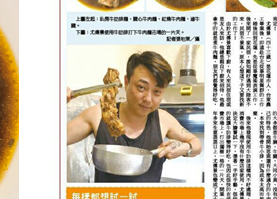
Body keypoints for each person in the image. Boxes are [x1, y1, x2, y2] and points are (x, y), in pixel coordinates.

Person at [65, 51, 201, 182]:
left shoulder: (163, 120)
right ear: (126, 82)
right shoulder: (99, 114)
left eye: (157, 91)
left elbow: (196, 144)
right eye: (141, 87)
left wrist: (185, 148)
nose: (148, 99)